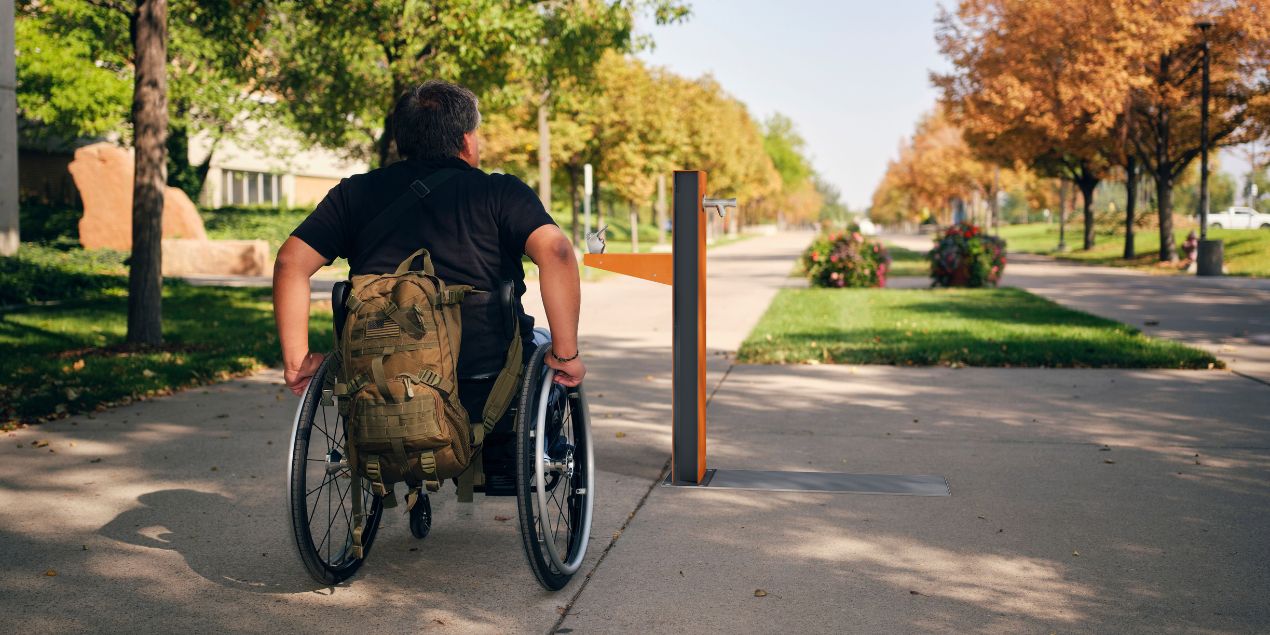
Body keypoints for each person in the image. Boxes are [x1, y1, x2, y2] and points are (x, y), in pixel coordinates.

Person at [272, 79, 585, 491]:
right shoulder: (499, 193)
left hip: (379, 376)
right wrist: (566, 355)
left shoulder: (355, 194)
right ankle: (510, 456)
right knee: (542, 345)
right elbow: (558, 254)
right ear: (466, 140)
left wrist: (296, 362)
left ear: (403, 139)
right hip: (485, 377)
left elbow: (290, 263)